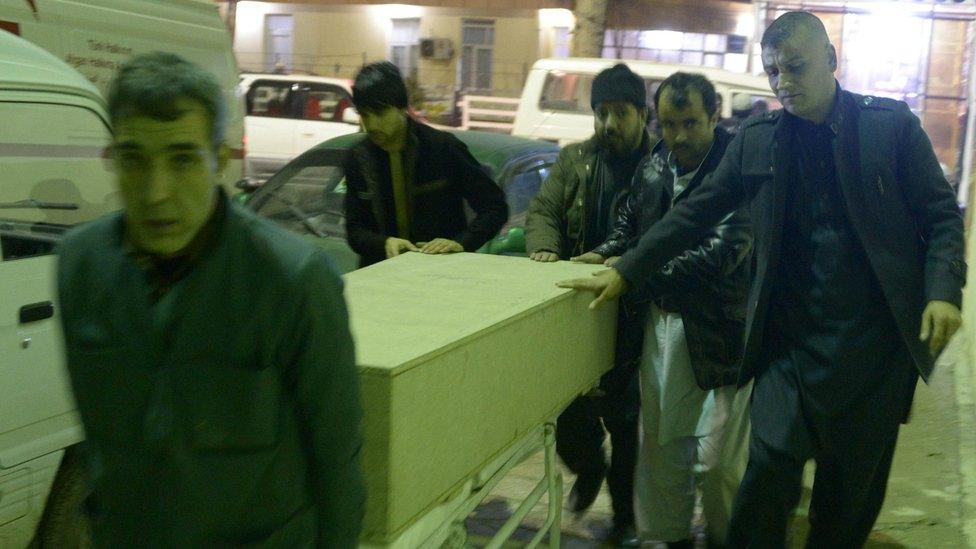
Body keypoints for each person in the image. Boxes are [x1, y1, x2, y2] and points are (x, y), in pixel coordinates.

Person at [559, 11, 965, 548]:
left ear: (831, 60)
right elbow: (696, 211)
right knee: (765, 478)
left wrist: (941, 292)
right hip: (789, 349)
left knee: (846, 503)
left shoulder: (888, 127)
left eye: (795, 67)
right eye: (773, 71)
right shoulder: (760, 138)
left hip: (874, 352)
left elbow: (941, 216)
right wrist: (630, 270)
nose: (783, 82)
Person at [57, 52, 365, 547]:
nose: (157, 193)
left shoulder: (292, 281)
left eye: (182, 160)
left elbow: (337, 461)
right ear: (112, 160)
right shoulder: (81, 267)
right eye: (136, 160)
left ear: (219, 162)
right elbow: (98, 444)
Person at [590, 72, 752, 548]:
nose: (678, 136)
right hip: (661, 326)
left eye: (690, 123)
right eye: (668, 123)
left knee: (721, 462)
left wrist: (631, 274)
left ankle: (728, 538)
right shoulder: (656, 163)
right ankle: (671, 538)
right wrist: (605, 254)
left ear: (715, 116)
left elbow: (723, 253)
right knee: (661, 449)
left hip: (722, 331)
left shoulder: (736, 168)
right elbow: (632, 222)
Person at [525, 62, 650, 546]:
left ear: (641, 113)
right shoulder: (575, 159)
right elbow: (544, 211)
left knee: (625, 423)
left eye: (621, 112)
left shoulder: (658, 165)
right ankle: (588, 467)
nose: (609, 124)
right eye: (601, 112)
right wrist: (545, 250)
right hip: (578, 311)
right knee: (566, 412)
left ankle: (623, 518)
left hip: (633, 314)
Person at [343, 61, 508, 267]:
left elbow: (494, 207)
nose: (372, 124)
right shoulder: (359, 157)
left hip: (441, 275)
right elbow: (355, 230)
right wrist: (384, 243)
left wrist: (460, 243)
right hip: (381, 277)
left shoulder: (442, 148)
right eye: (365, 115)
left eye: (380, 113)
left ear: (402, 107)